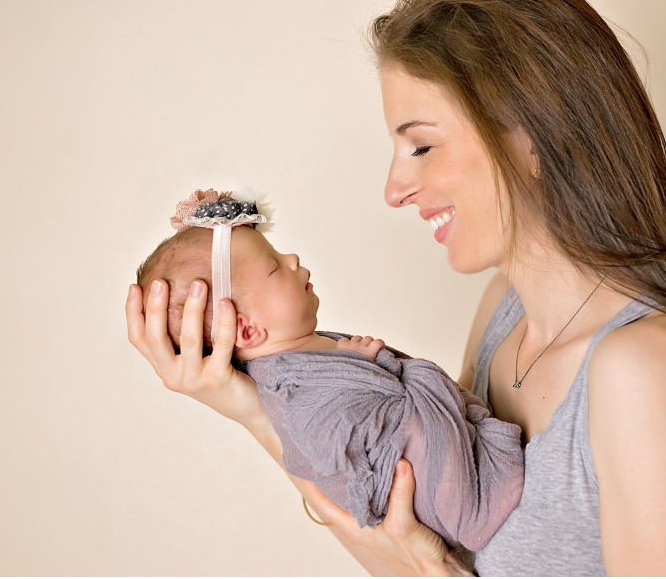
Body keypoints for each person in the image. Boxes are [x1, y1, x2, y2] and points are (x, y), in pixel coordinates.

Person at [126, 0, 666, 576]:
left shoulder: (643, 367)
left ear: (530, 140)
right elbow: (417, 542)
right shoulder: (505, 312)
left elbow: (432, 570)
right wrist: (249, 406)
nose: (394, 188)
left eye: (422, 146)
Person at [134, 189, 524, 551]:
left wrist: (363, 366)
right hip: (449, 499)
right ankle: (483, 491)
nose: (293, 261)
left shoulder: (306, 352)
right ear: (247, 329)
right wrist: (375, 367)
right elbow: (347, 450)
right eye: (274, 267)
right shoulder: (291, 392)